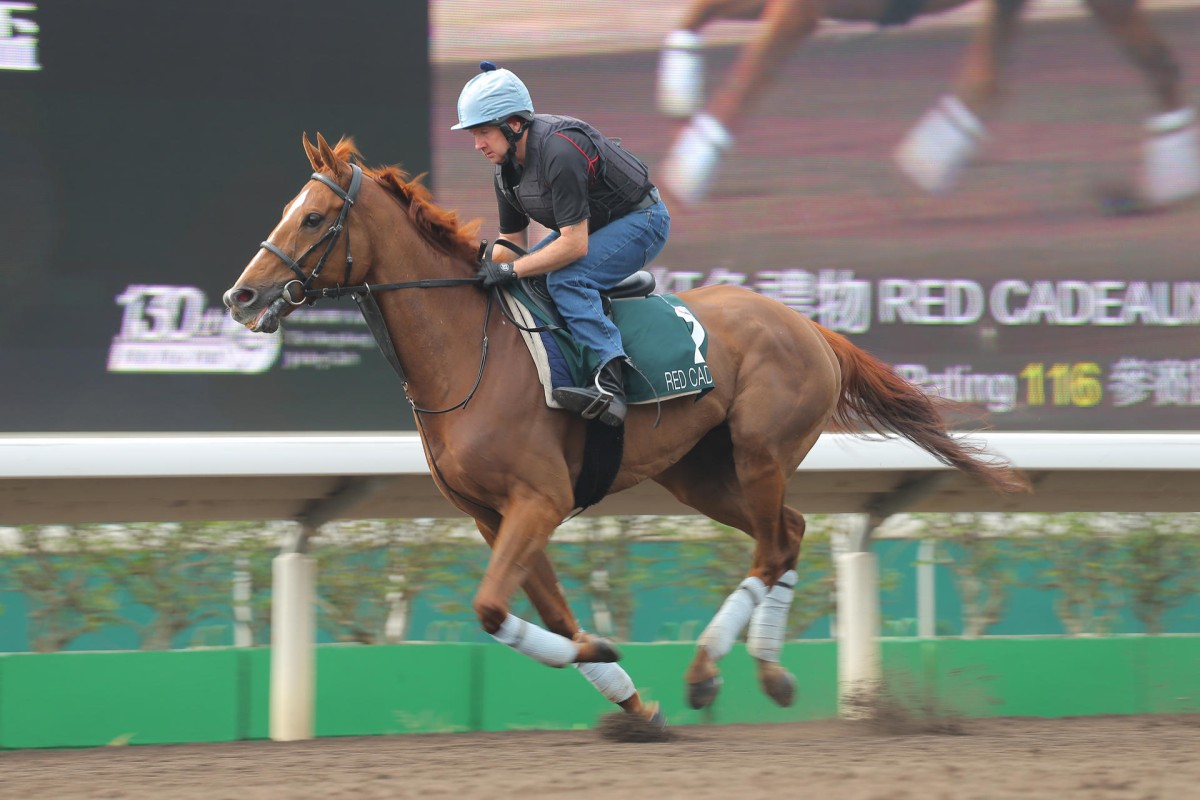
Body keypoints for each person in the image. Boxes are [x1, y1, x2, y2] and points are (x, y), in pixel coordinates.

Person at [454, 61, 670, 427]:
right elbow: (512, 241)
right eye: (474, 134)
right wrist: (478, 271)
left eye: (484, 133)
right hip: (594, 226)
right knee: (528, 278)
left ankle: (611, 384)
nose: (477, 145)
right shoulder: (505, 170)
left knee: (566, 279)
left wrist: (508, 268)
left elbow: (573, 247)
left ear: (515, 124)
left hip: (642, 221)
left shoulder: (560, 150)